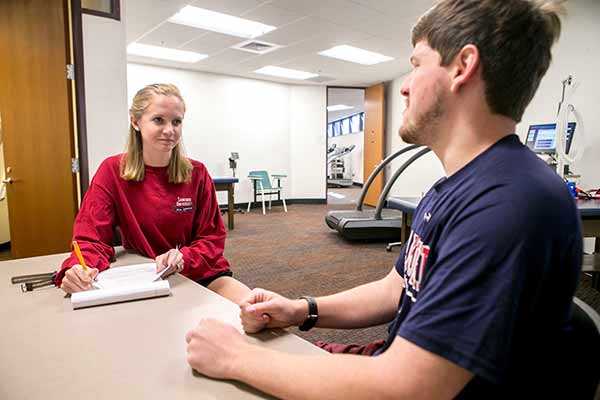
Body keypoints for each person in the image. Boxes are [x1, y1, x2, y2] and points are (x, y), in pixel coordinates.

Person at [185, 0, 586, 398]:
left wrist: (237, 359)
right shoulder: (457, 186)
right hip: (389, 359)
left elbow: (410, 389)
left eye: (416, 64)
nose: (407, 86)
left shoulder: (510, 205)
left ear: (462, 67)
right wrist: (301, 309)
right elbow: (397, 288)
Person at [55, 83, 250, 304]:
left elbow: (212, 238)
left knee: (256, 308)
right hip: (144, 277)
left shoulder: (197, 173)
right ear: (135, 121)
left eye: (176, 121)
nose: (170, 130)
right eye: (159, 120)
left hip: (200, 273)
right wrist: (79, 269)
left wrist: (184, 258)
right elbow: (91, 238)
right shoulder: (112, 171)